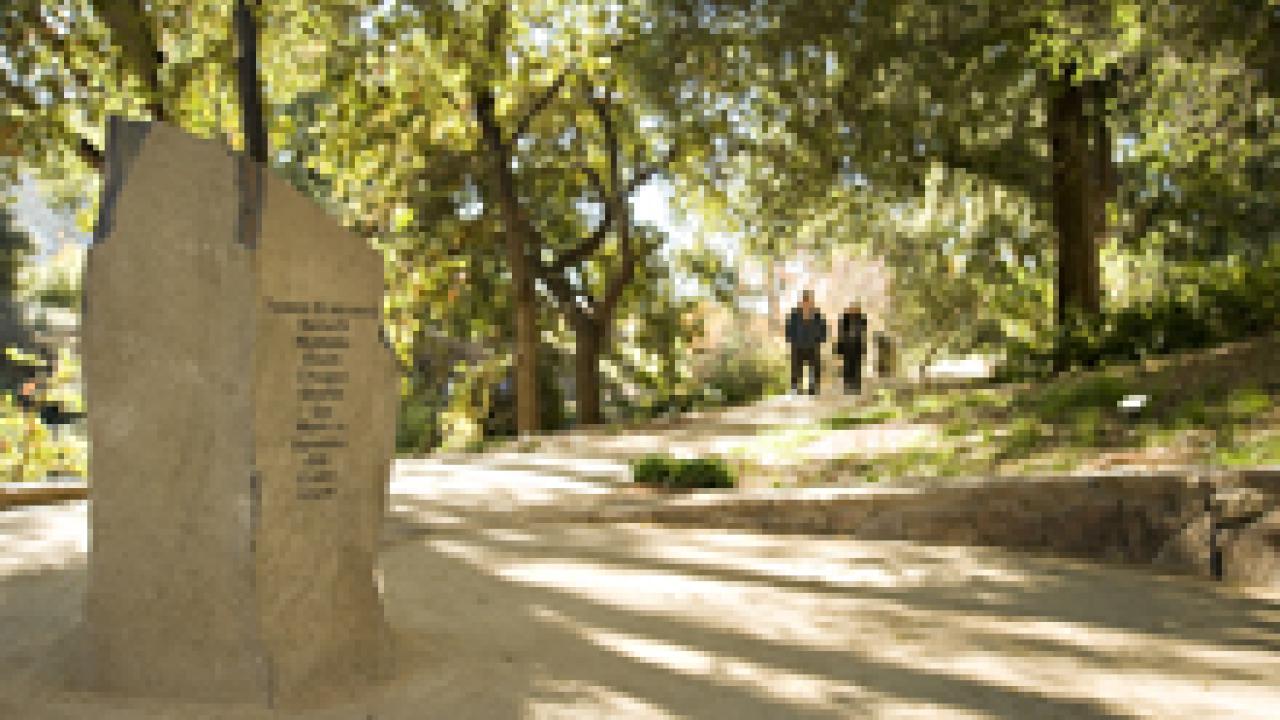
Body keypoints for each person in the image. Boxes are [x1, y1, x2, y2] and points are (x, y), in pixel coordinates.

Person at [785, 290, 827, 395]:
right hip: (798, 345)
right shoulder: (795, 313)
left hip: (812, 345)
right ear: (801, 302)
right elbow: (789, 328)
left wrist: (821, 340)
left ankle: (813, 387)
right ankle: (795, 387)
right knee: (796, 367)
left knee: (814, 367)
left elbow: (823, 328)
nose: (806, 303)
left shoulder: (817, 313)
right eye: (805, 300)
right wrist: (791, 340)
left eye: (808, 301)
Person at [835, 302, 868, 393]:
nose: (853, 310)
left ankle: (856, 386)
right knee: (847, 366)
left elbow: (863, 335)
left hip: (857, 346)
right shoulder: (844, 319)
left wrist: (864, 349)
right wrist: (840, 349)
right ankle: (847, 386)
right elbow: (841, 334)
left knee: (856, 366)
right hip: (847, 346)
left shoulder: (861, 320)